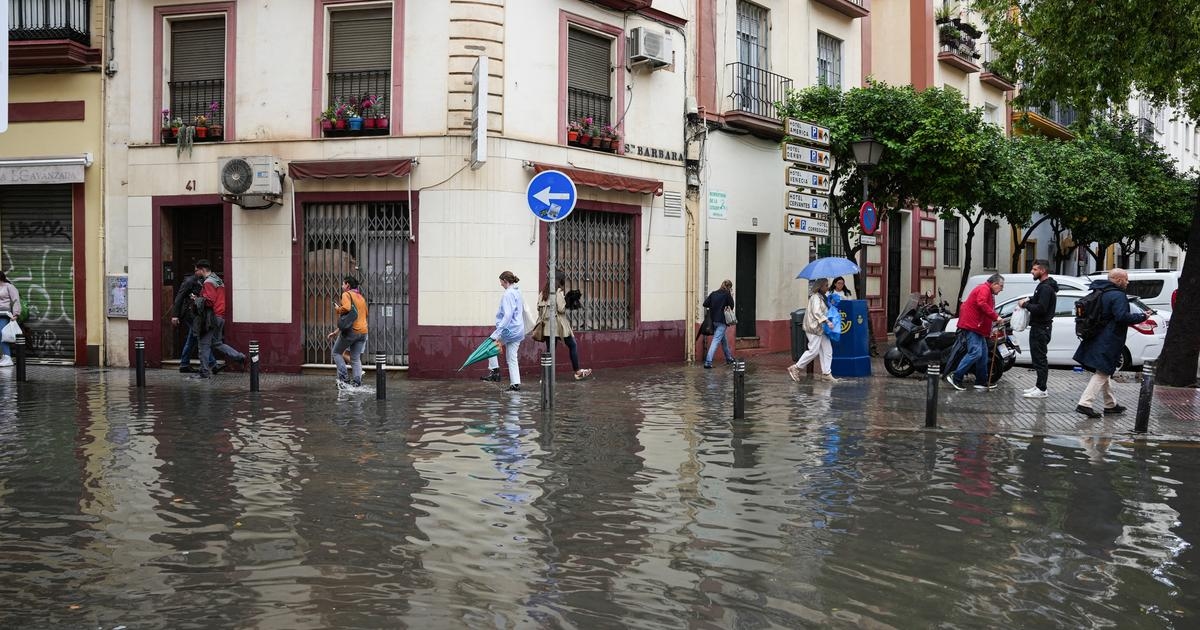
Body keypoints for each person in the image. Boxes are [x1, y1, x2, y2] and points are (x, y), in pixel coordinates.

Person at [1074, 268, 1149, 419]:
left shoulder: (1101, 292)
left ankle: (1110, 405)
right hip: (1110, 339)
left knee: (1104, 370)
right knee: (1103, 372)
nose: (1127, 283)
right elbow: (1121, 316)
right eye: (1126, 279)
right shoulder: (1118, 295)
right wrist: (1141, 316)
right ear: (1119, 280)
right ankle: (1085, 403)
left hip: (1097, 335)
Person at [947, 274, 1004, 391]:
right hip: (972, 326)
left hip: (977, 328)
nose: (1002, 289)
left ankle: (981, 382)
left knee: (983, 355)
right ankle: (956, 377)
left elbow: (984, 307)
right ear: (995, 284)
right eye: (1001, 286)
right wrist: (995, 317)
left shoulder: (986, 290)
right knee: (976, 353)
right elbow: (982, 303)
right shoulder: (984, 289)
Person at [191, 259, 246, 380]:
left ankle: (204, 373)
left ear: (202, 269)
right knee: (217, 343)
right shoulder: (218, 280)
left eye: (197, 270)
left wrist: (196, 299)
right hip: (220, 317)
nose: (196, 273)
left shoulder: (208, 282)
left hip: (211, 318)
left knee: (203, 345)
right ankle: (239, 356)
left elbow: (210, 301)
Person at [537, 270, 592, 380]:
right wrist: (567, 302)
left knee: (550, 351)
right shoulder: (557, 293)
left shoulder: (542, 293)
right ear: (559, 280)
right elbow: (561, 309)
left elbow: (538, 308)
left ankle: (546, 377)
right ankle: (577, 372)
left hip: (547, 327)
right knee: (573, 345)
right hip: (559, 327)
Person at [1017, 260, 1058, 398]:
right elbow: (1038, 302)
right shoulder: (1043, 286)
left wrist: (1026, 305)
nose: (1032, 272)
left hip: (1041, 328)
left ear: (1042, 271)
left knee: (1040, 359)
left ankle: (1042, 389)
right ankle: (1039, 385)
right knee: (1037, 358)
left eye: (1034, 269)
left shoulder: (1045, 288)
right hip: (1039, 327)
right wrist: (1029, 300)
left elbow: (1041, 308)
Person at [787, 278, 839, 382]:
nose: (827, 287)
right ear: (820, 287)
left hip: (822, 329)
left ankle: (826, 373)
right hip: (814, 328)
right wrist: (827, 321)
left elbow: (825, 310)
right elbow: (816, 312)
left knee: (828, 350)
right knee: (814, 351)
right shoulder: (815, 298)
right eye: (825, 285)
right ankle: (796, 367)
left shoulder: (823, 297)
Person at [481, 270, 525, 391]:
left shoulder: (508, 294)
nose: (500, 284)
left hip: (509, 330)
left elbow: (508, 315)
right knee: (512, 357)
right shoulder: (517, 291)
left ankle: (495, 372)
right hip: (518, 330)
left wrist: (497, 333)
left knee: (490, 345)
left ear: (505, 281)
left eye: (501, 282)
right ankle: (515, 384)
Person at [171, 266, 217, 374]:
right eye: (200, 270)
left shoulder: (202, 280)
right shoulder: (189, 281)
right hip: (190, 315)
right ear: (197, 270)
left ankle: (184, 364)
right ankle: (212, 363)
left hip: (195, 314)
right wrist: (175, 315)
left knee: (192, 338)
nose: (202, 272)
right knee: (201, 337)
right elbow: (179, 297)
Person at [327, 276, 369, 388]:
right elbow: (365, 314)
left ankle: (344, 379)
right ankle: (357, 383)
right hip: (363, 332)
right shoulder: (361, 297)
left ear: (348, 285)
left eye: (343, 284)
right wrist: (336, 332)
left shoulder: (346, 294)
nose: (342, 286)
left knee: (336, 352)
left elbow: (346, 308)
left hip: (352, 331)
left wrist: (338, 309)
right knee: (355, 359)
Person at [701, 280, 736, 369]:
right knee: (716, 341)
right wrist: (731, 296)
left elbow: (705, 304)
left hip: (713, 321)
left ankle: (729, 358)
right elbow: (731, 306)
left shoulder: (713, 293)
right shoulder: (726, 295)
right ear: (729, 287)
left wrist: (714, 306)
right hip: (722, 321)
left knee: (723, 340)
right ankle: (708, 362)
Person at [0, 271, 21, 367]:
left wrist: (16, 314)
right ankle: (4, 356)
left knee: (3, 334)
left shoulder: (9, 287)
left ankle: (8, 357)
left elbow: (16, 300)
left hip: (4, 314)